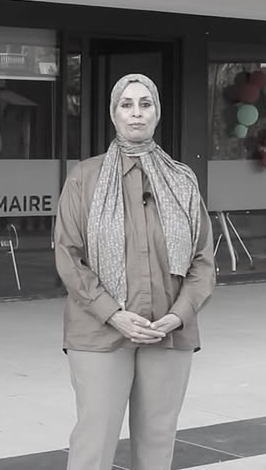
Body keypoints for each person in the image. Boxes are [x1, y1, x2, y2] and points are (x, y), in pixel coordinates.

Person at [54, 73, 215, 470]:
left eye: (145, 104)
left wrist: (178, 315)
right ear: (114, 114)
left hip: (167, 331)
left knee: (158, 440)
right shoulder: (84, 178)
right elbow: (69, 256)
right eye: (127, 104)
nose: (136, 113)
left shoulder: (182, 179)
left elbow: (202, 261)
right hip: (99, 332)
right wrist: (113, 313)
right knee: (94, 441)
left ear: (157, 113)